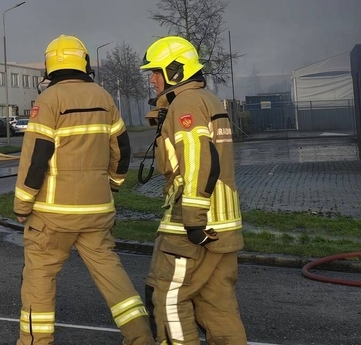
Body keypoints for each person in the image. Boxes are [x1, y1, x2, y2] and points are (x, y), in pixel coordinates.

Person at [14, 35, 154, 345]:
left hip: (53, 215)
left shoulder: (49, 101)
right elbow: (122, 149)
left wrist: (23, 204)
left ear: (50, 67)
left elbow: (37, 158)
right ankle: (141, 337)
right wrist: (113, 185)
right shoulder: (104, 98)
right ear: (84, 64)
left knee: (40, 278)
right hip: (97, 211)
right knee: (112, 276)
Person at [141, 36, 246, 345]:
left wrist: (194, 222)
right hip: (223, 227)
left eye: (156, 72)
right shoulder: (209, 101)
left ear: (175, 71)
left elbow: (200, 161)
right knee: (217, 307)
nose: (151, 79)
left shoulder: (186, 104)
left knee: (166, 300)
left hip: (191, 227)